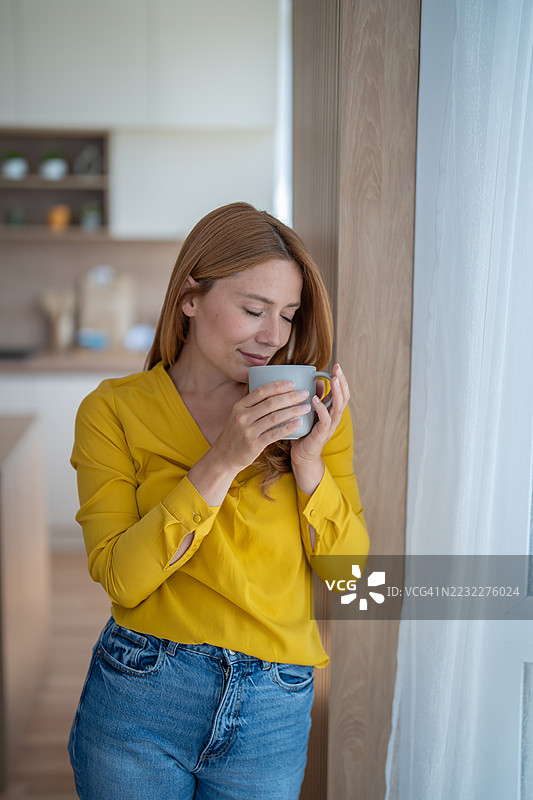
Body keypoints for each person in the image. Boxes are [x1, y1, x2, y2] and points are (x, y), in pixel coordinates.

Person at [68, 201, 369, 800]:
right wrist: (224, 459)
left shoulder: (310, 414)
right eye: (254, 310)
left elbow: (353, 581)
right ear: (190, 296)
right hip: (142, 690)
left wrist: (309, 464)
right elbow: (122, 578)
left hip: (273, 708)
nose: (274, 336)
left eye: (287, 316)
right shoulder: (112, 410)